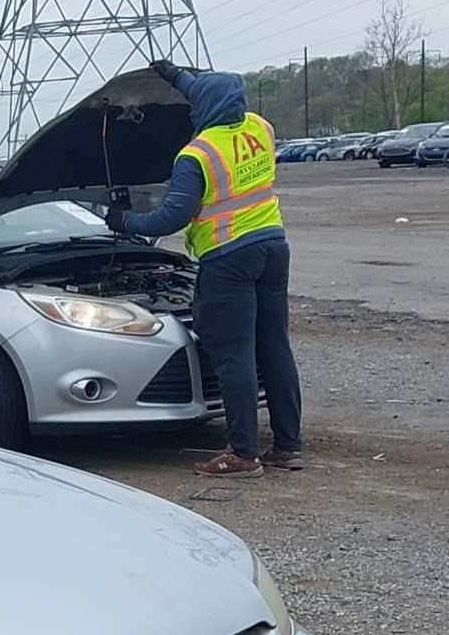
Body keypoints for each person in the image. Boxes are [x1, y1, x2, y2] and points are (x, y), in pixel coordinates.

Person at [106, 61, 304, 477]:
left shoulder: (198, 154)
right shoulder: (258, 127)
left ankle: (243, 454)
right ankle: (286, 444)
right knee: (274, 346)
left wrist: (123, 221)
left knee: (234, 356)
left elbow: (169, 219)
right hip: (272, 245)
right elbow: (211, 90)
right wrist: (173, 74)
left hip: (229, 257)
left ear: (204, 107)